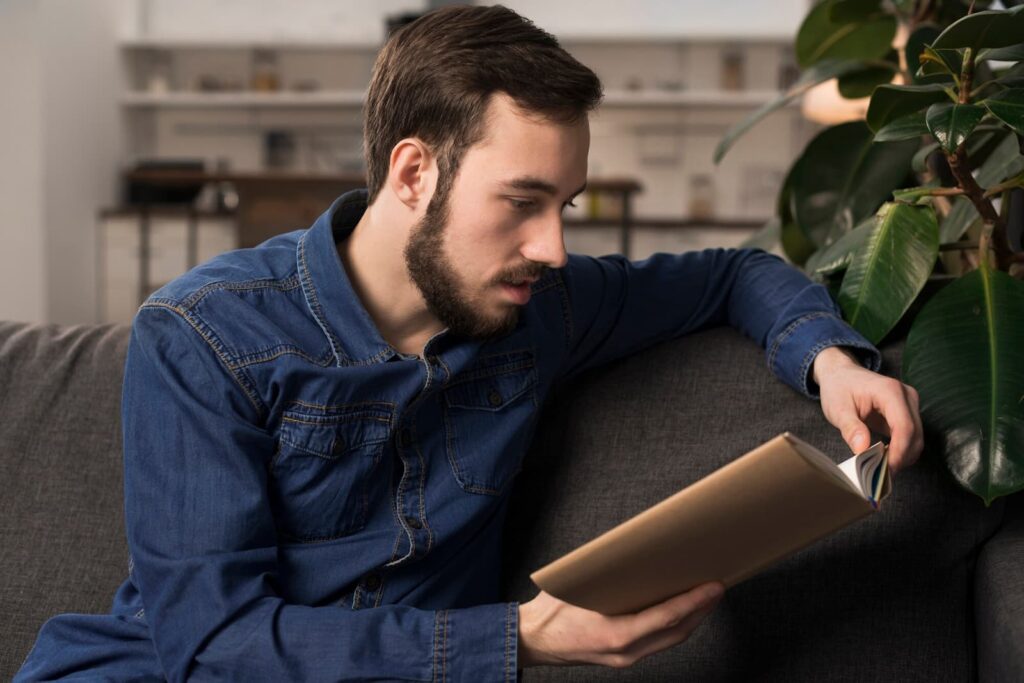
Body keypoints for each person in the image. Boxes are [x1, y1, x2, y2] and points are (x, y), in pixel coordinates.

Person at [16, 5, 923, 682]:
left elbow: (731, 273)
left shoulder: (543, 307)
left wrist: (829, 358)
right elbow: (211, 645)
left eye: (563, 207)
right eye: (522, 202)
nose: (554, 247)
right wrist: (516, 638)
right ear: (414, 171)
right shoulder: (202, 336)